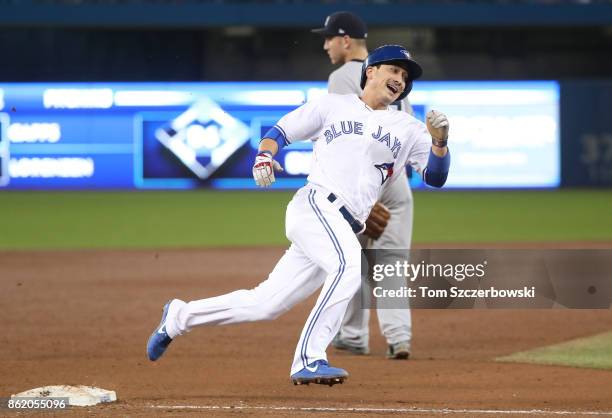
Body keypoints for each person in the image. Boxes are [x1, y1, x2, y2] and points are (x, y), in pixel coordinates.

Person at [146, 45, 450, 386]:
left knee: (266, 303)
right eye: (394, 70)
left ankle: (179, 316)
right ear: (371, 71)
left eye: (405, 76)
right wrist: (264, 156)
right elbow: (280, 132)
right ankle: (310, 357)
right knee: (348, 266)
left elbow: (435, 178)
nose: (400, 79)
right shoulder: (333, 105)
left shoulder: (407, 127)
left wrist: (440, 144)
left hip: (342, 226)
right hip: (316, 206)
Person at [312, 11, 415, 359]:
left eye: (328, 38)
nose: (325, 45)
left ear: (344, 40)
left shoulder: (343, 76)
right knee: (391, 261)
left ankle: (354, 335)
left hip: (362, 181)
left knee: (350, 257)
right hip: (396, 179)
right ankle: (398, 337)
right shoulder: (394, 71)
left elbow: (348, 136)